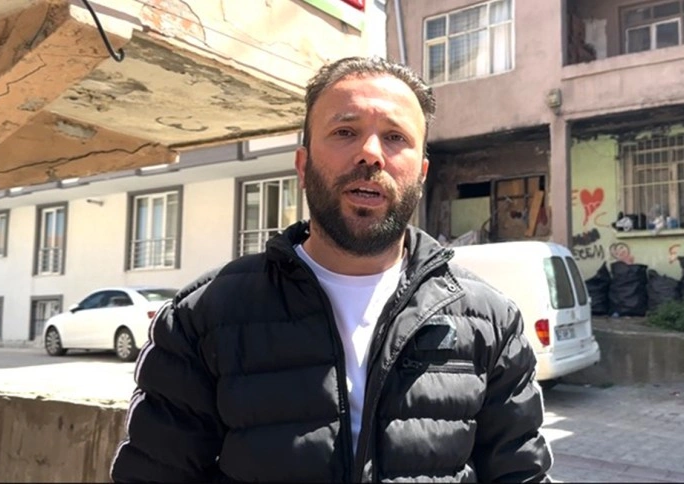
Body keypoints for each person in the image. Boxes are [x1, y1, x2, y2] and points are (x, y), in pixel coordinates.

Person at [110, 56, 553, 482]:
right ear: (303, 166)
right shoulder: (204, 317)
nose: (370, 154)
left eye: (395, 136)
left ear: (421, 174)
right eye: (345, 131)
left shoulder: (490, 322)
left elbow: (522, 475)